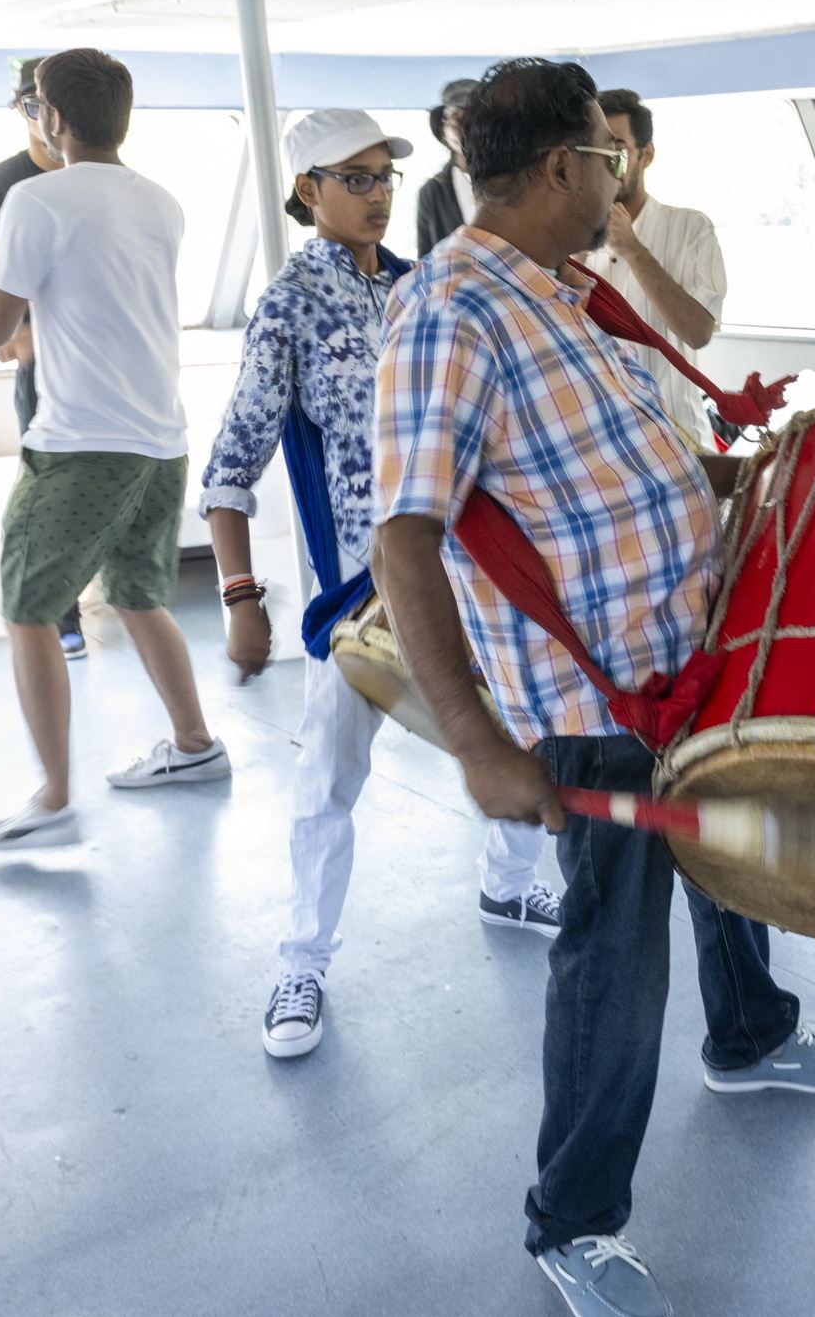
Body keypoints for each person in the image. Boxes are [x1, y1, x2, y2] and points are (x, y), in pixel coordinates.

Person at [372, 57, 815, 1317]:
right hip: (590, 706)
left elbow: (601, 464)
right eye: (610, 157)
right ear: (562, 166)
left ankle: (751, 1034)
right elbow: (405, 536)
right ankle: (574, 1220)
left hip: (678, 659)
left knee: (729, 853)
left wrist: (724, 484)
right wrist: (479, 742)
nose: (620, 177)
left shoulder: (557, 289)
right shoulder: (453, 311)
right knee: (614, 963)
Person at [199, 108, 563, 1061]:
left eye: (384, 177)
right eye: (353, 179)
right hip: (359, 595)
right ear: (307, 191)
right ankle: (301, 963)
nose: (376, 195)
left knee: (519, 731)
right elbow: (231, 464)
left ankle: (509, 884)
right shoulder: (289, 306)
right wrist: (240, 598)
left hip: (465, 573)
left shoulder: (419, 288)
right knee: (328, 778)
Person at [0, 47, 230, 850]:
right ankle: (194, 745)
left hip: (80, 445)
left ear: (54, 117)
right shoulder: (162, 202)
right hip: (161, 440)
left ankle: (52, 799)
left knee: (27, 609)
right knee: (139, 596)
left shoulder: (35, 200)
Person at [0, 57, 84, 659]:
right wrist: (17, 318)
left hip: (100, 357)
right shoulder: (1, 183)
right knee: (48, 490)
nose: (45, 118)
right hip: (38, 360)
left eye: (53, 106)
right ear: (21, 109)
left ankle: (135, 603)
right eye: (33, 106)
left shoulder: (102, 177)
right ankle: (62, 616)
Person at [584, 88, 727, 443]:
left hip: (678, 436)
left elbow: (698, 333)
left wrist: (634, 250)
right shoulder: (574, 238)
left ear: (645, 155)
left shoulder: (691, 228)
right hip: (603, 442)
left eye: (617, 149)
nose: (606, 162)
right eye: (596, 150)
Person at [412, 77, 478, 258]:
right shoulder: (432, 191)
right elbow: (425, 259)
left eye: (473, 117)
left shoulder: (511, 181)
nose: (463, 126)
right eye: (456, 116)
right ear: (443, 127)